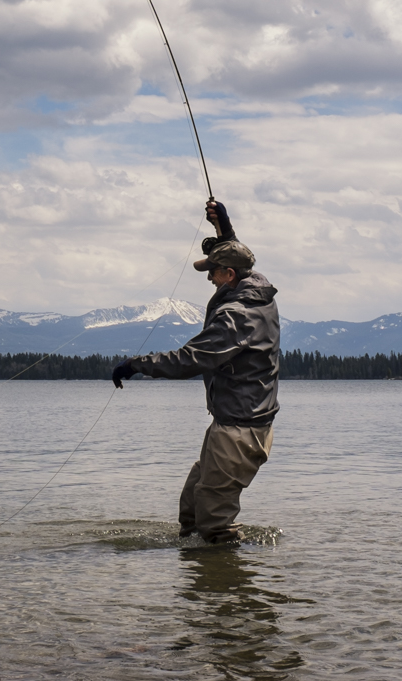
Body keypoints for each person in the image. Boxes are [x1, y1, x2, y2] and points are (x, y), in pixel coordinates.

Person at [111, 198, 279, 544]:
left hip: (239, 431)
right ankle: (196, 569)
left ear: (229, 275)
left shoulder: (237, 316)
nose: (210, 279)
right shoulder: (257, 289)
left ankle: (228, 573)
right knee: (191, 508)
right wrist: (225, 230)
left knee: (213, 523)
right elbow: (242, 260)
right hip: (233, 425)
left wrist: (135, 366)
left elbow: (189, 360)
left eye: (213, 272)